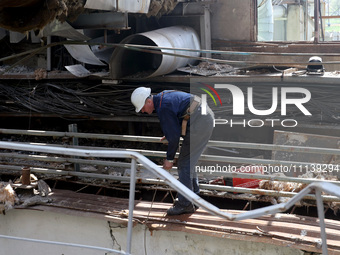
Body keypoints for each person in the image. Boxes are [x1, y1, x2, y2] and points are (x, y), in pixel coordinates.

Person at [131, 87, 214, 215]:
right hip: (202, 117)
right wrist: (171, 134)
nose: (143, 111)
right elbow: (179, 118)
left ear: (148, 102)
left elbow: (175, 137)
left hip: (200, 122)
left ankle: (185, 204)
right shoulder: (163, 97)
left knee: (184, 164)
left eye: (142, 108)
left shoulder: (163, 107)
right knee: (188, 163)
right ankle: (193, 198)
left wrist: (169, 159)